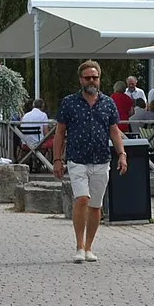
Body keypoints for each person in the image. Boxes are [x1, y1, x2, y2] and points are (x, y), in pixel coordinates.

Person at [55, 60, 127, 263]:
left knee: (95, 205)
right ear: (80, 79)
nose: (91, 81)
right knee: (82, 199)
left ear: (99, 78)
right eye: (87, 77)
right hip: (77, 159)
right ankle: (78, 246)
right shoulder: (69, 102)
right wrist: (57, 159)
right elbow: (60, 132)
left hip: (101, 159)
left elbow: (114, 131)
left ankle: (89, 247)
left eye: (95, 77)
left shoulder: (108, 103)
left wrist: (121, 154)